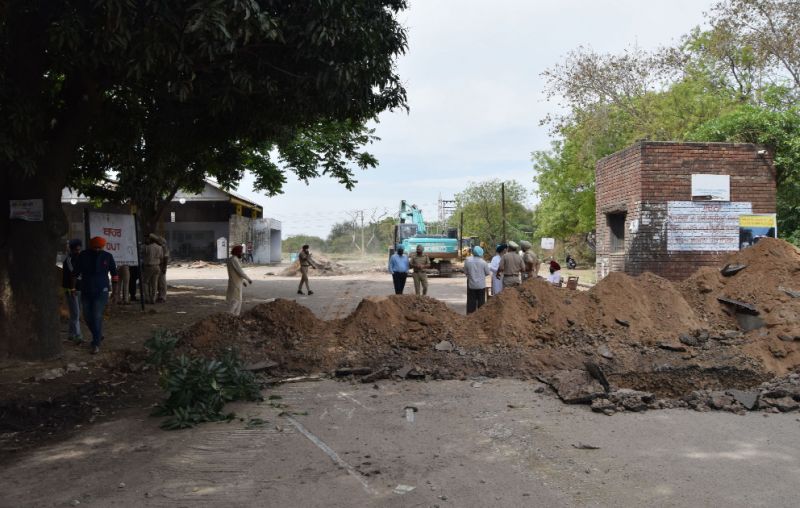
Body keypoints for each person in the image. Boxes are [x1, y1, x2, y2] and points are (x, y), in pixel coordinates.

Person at [75, 236, 118, 354]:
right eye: (95, 247)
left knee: (96, 315)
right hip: (86, 290)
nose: (97, 249)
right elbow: (76, 272)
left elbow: (114, 274)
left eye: (100, 247)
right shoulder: (83, 255)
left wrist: (115, 292)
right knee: (87, 316)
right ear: (91, 246)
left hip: (102, 291)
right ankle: (98, 334)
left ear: (103, 246)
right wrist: (74, 286)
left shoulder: (108, 256)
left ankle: (96, 343)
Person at [62, 239, 83, 343]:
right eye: (76, 250)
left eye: (79, 250)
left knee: (76, 312)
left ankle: (71, 334)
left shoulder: (80, 258)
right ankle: (78, 335)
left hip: (79, 289)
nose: (78, 252)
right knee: (76, 313)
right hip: (71, 289)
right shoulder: (69, 260)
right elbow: (74, 273)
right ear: (72, 250)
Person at [464, 246, 491, 313]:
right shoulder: (484, 262)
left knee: (471, 301)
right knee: (481, 301)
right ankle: (480, 316)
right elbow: (487, 273)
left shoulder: (467, 261)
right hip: (481, 285)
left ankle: (470, 315)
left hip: (471, 285)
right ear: (481, 253)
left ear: (473, 252)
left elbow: (465, 272)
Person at [227, 245, 253, 315]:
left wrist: (243, 281)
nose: (242, 254)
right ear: (237, 252)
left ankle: (235, 317)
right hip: (235, 284)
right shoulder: (234, 260)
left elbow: (236, 273)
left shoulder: (231, 259)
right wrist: (248, 279)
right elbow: (240, 271)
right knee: (236, 301)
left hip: (236, 282)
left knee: (238, 300)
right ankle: (230, 316)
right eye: (241, 252)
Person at [141, 233, 163, 304]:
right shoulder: (159, 247)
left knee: (145, 282)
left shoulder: (145, 247)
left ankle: (147, 298)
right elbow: (161, 257)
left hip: (148, 266)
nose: (145, 239)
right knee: (154, 283)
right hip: (157, 267)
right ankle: (153, 299)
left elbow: (141, 253)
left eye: (147, 238)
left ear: (150, 239)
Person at [156, 235, 170, 302]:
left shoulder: (164, 248)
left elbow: (166, 258)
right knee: (158, 282)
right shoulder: (160, 247)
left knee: (162, 282)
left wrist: (164, 267)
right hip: (158, 265)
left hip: (161, 266)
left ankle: (162, 297)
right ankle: (160, 296)